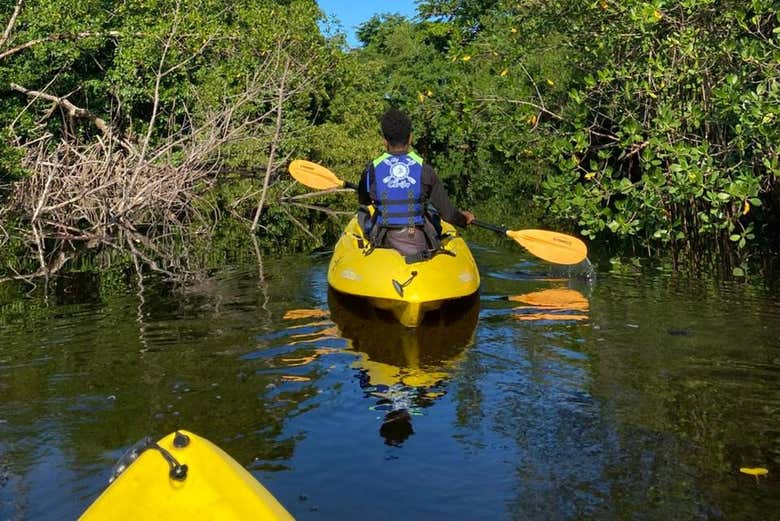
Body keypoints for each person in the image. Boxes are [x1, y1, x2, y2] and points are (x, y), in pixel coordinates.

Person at [358, 108, 475, 256]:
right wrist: (464, 219)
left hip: (383, 238)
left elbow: (364, 200)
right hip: (417, 237)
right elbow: (448, 215)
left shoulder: (371, 170)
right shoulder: (425, 170)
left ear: (384, 141)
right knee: (431, 216)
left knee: (362, 212)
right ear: (411, 138)